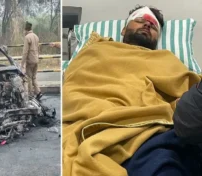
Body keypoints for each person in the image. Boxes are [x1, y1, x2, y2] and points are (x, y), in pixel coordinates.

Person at [62, 5, 202, 176]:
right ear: (123, 29)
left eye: (153, 26)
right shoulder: (94, 50)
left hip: (146, 132)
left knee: (163, 164)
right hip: (88, 124)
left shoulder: (165, 60)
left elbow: (189, 96)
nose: (147, 25)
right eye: (140, 20)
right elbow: (74, 83)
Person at [21, 21, 43, 100]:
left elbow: (25, 52)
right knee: (34, 77)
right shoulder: (36, 36)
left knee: (29, 78)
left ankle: (31, 95)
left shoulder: (27, 38)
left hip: (30, 61)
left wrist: (22, 63)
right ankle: (38, 92)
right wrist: (38, 58)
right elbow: (38, 49)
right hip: (36, 60)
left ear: (26, 29)